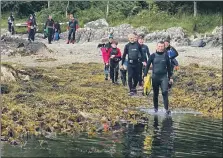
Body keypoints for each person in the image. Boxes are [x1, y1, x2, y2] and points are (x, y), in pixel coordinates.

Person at [143, 41, 173, 114]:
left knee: (165, 92)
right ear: (156, 47)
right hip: (155, 77)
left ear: (164, 47)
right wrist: (145, 75)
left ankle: (166, 110)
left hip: (163, 77)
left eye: (162, 46)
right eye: (159, 46)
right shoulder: (153, 55)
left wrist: (170, 77)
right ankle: (156, 110)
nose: (160, 48)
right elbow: (147, 66)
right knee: (155, 94)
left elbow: (169, 67)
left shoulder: (166, 56)